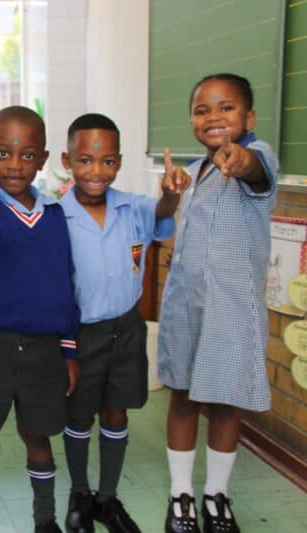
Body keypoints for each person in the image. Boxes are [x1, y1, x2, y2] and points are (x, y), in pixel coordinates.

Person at [158, 73, 278, 533]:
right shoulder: (197, 169)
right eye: (202, 110)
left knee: (226, 404)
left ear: (248, 117)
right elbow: (169, 216)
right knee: (184, 399)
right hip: (187, 309)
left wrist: (240, 158)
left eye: (226, 108)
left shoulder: (257, 153)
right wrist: (170, 194)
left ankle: (216, 498)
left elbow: (254, 169)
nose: (213, 117)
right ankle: (181, 497)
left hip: (230, 311)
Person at [58, 113, 188, 533]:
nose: (97, 172)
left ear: (118, 162)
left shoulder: (133, 207)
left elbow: (163, 213)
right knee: (79, 417)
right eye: (85, 161)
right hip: (80, 334)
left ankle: (107, 499)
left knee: (116, 414)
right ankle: (79, 494)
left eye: (108, 161)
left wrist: (170, 194)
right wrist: (64, 348)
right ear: (67, 160)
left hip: (126, 329)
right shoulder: (55, 217)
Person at [0, 106, 80, 533]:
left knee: (38, 435)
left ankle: (45, 521)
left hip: (45, 348)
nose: (14, 164)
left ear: (43, 159)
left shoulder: (57, 216)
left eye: (27, 155)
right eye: (3, 153)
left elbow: (66, 284)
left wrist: (68, 347)